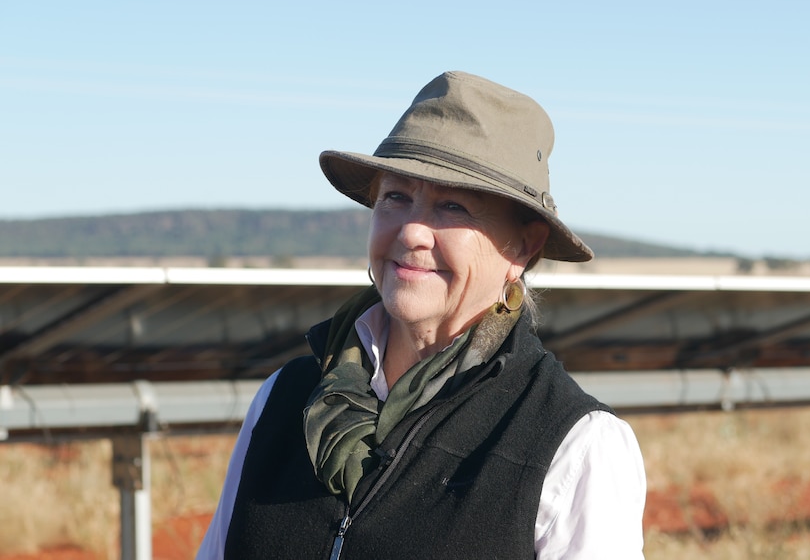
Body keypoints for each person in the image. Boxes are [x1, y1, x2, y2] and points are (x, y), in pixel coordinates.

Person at [197, 71, 646, 559]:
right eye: (396, 197)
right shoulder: (283, 398)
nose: (412, 232)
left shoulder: (574, 446)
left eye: (453, 206)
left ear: (524, 245)